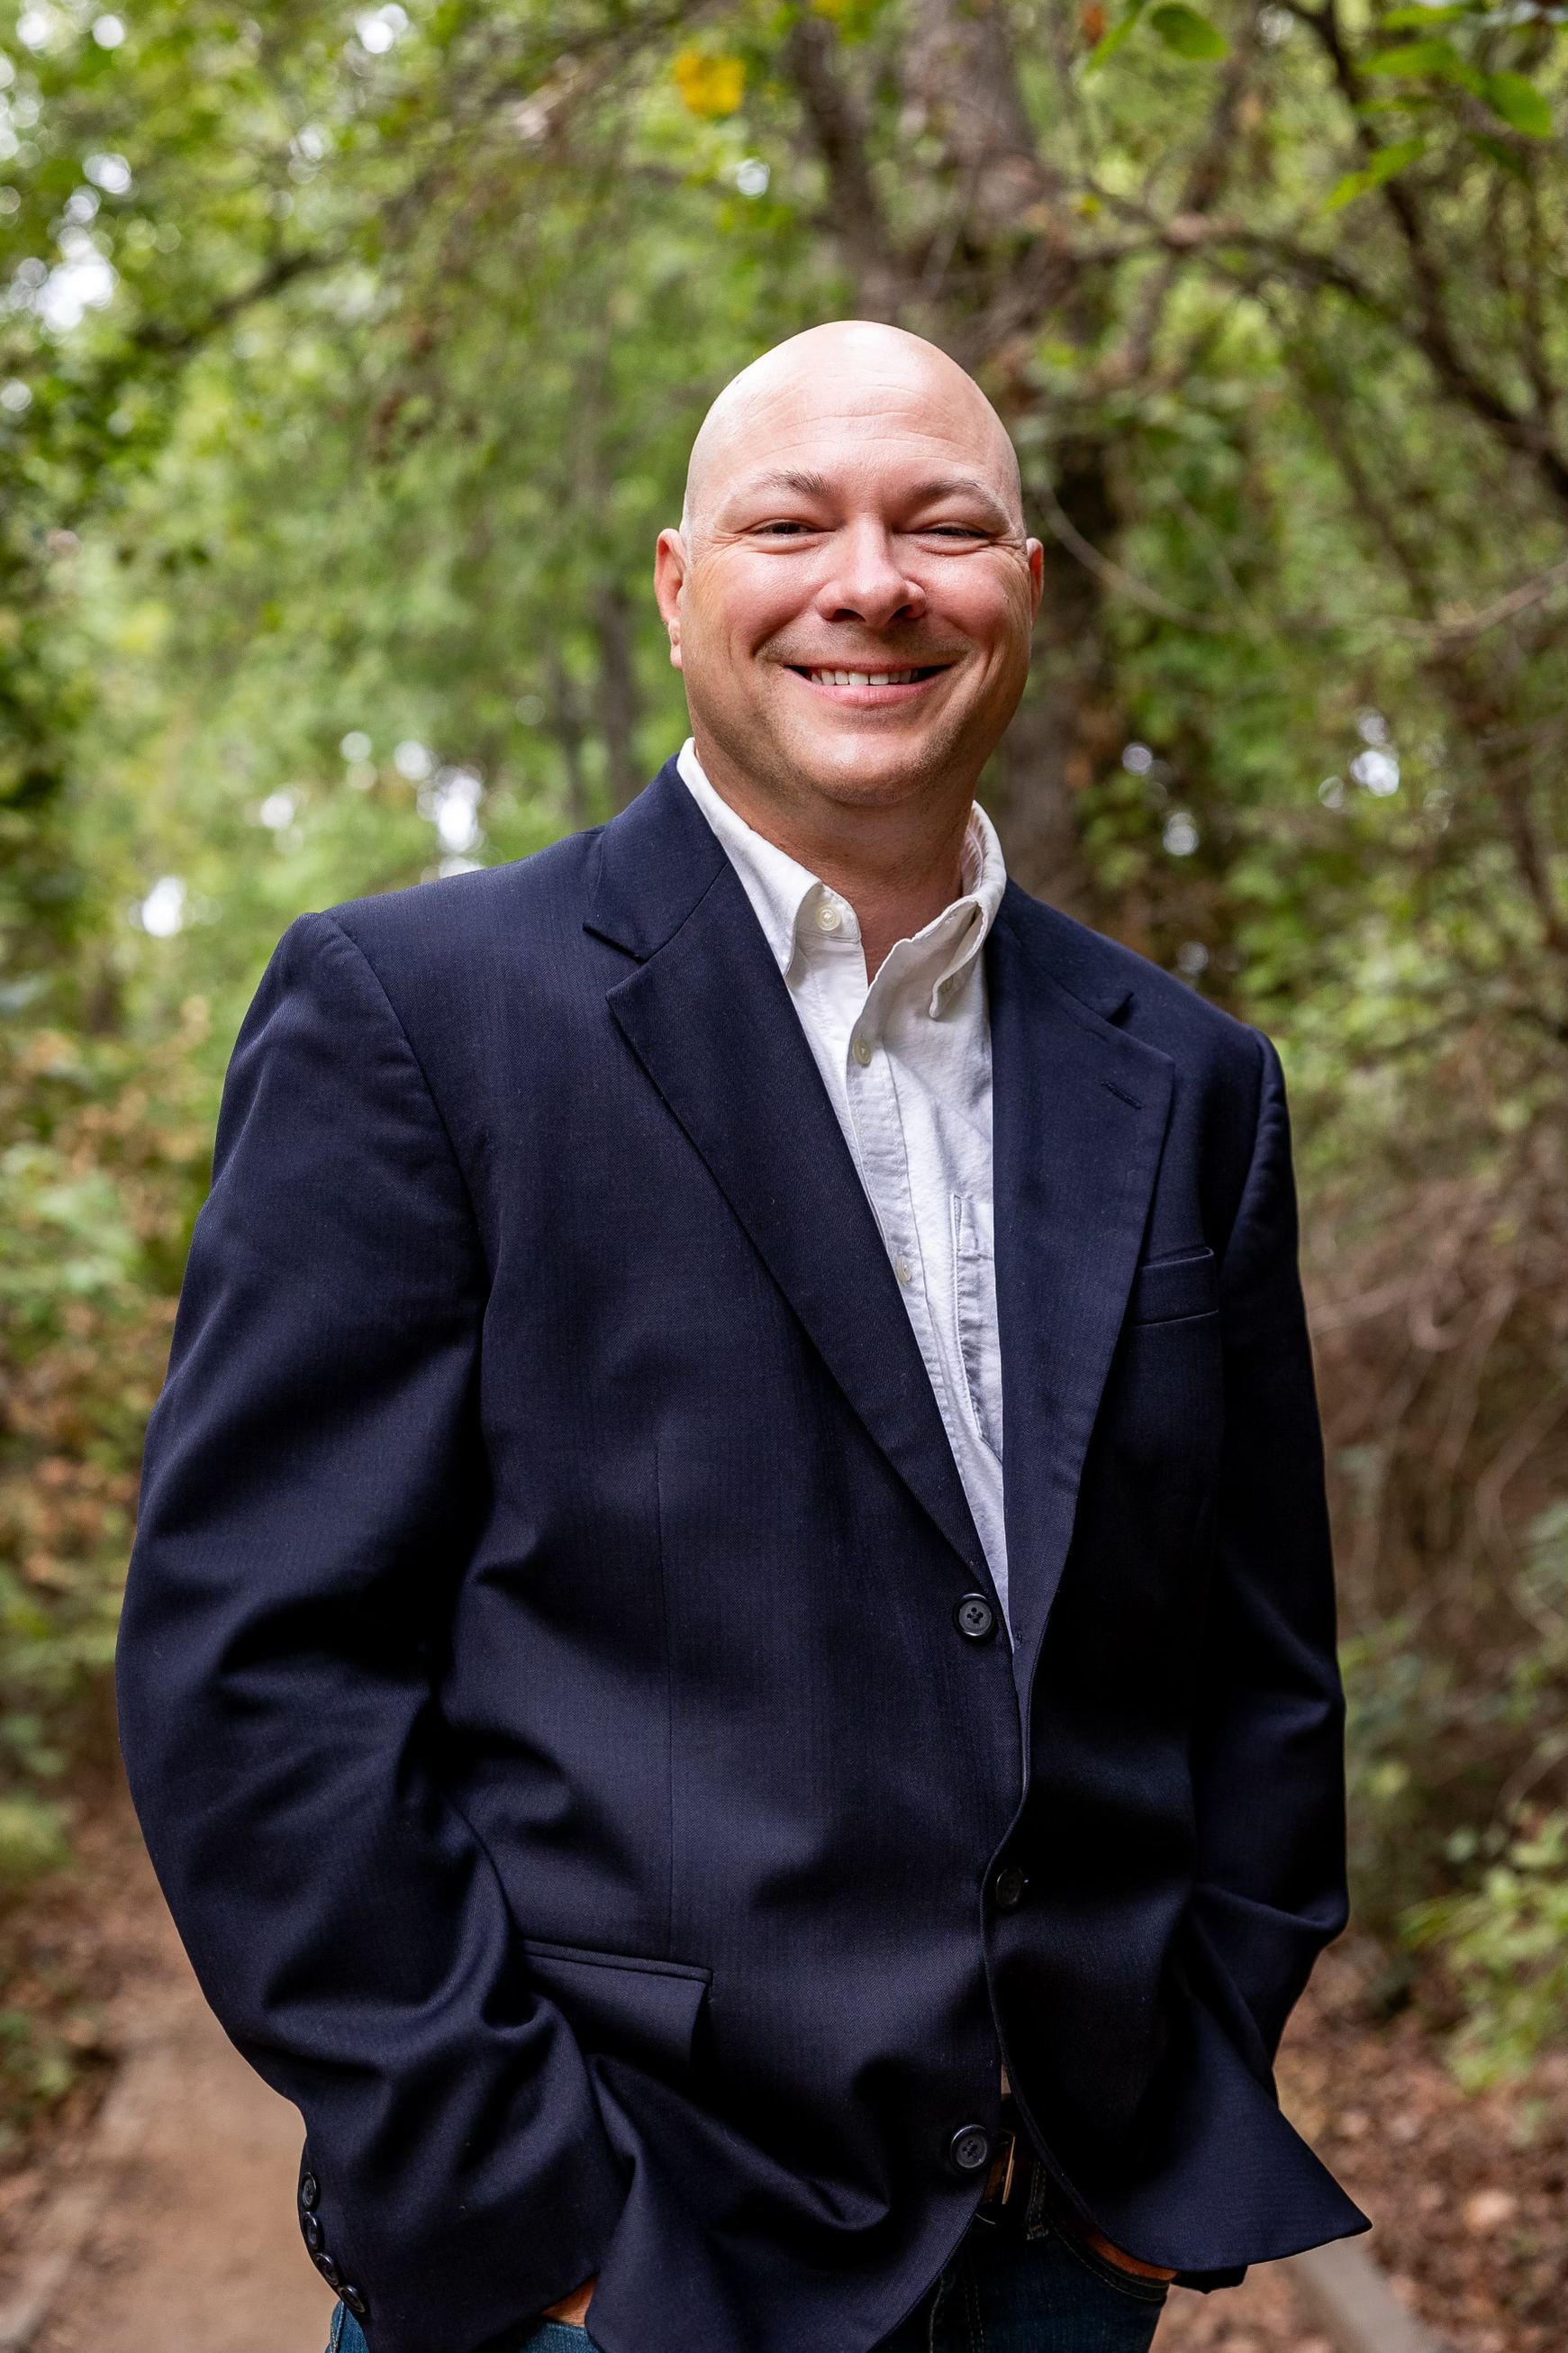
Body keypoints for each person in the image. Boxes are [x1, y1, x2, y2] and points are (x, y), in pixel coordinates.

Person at [116, 322, 1365, 2353]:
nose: (871, 581)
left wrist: (1174, 2103)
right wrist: (526, 2213)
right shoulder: (418, 1017)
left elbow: (1258, 1665)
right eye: (794, 521)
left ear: (1021, 592)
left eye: (940, 525)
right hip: (612, 2272)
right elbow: (256, 1676)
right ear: (688, 588)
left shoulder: (1191, 1078)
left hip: (1060, 2259)